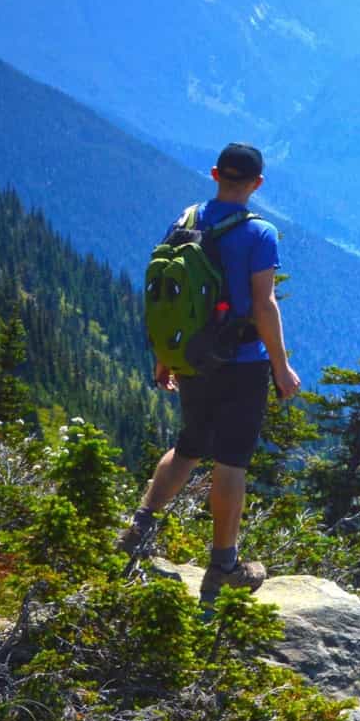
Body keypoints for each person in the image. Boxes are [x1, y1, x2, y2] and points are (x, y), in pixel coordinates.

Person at [117, 142, 303, 598]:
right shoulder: (260, 234)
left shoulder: (187, 219)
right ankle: (224, 564)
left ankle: (136, 530)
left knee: (189, 444)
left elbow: (166, 294)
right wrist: (282, 367)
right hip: (242, 361)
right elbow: (264, 303)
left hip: (193, 356)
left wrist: (166, 353)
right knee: (232, 459)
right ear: (257, 184)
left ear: (216, 173)